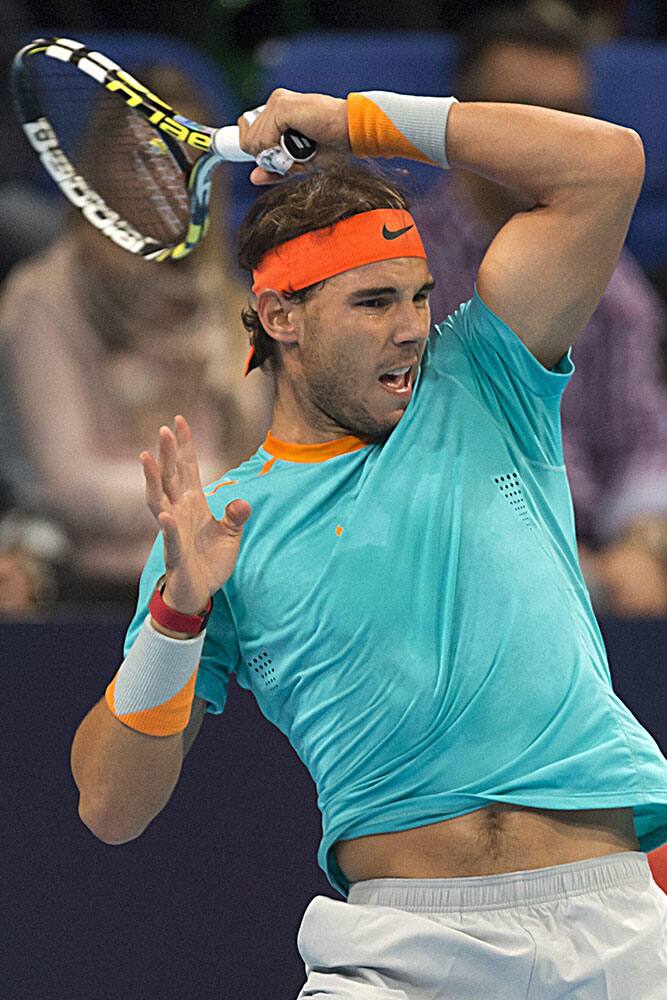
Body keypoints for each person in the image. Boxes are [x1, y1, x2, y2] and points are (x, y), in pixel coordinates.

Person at [71, 84, 667, 997]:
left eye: (421, 296)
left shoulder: (487, 378)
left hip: (615, 924)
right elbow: (111, 807)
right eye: (373, 301)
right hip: (401, 951)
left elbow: (605, 163)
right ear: (280, 319)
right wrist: (175, 613)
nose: (412, 328)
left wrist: (346, 119)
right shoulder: (217, 528)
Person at [412, 3, 667, 617]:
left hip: (595, 577)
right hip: (442, 572)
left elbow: (641, 446)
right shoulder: (395, 266)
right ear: (471, 124)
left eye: (569, 118)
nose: (548, 140)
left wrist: (642, 542)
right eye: (523, 115)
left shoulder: (619, 286)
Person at [0, 66, 273, 609]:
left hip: (223, 575)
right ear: (98, 171)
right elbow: (67, 486)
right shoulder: (43, 298)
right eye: (143, 159)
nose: (168, 180)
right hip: (80, 590)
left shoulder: (234, 301)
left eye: (187, 161)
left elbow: (261, 458)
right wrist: (209, 494)